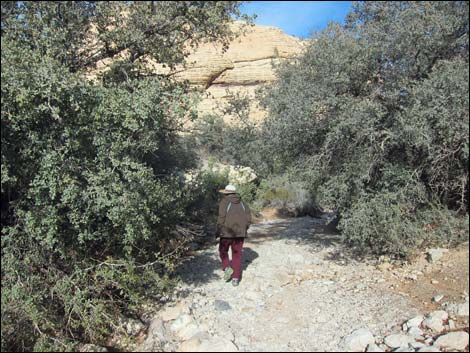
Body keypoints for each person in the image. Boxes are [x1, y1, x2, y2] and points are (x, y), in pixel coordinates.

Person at [216, 184, 252, 286]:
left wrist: (218, 231)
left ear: (227, 193)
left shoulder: (224, 202)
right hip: (240, 234)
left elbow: (221, 219)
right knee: (237, 255)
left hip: (226, 233)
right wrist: (244, 229)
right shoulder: (243, 203)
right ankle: (236, 279)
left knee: (223, 251)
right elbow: (249, 219)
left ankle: (227, 267)